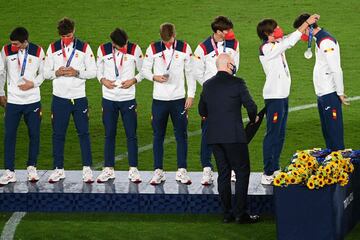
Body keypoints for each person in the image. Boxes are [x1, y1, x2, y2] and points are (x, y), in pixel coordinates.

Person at [257, 14, 320, 185]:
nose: (279, 29)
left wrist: (306, 30)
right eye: (275, 28)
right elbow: (289, 41)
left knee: (280, 134)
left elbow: (290, 38)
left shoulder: (276, 44)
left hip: (283, 96)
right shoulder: (267, 49)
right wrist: (306, 23)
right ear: (268, 34)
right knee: (272, 134)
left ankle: (275, 166)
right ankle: (267, 172)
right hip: (274, 97)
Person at [198, 53, 259, 224]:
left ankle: (227, 213)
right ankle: (241, 214)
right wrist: (253, 117)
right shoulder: (237, 83)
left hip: (215, 137)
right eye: (232, 63)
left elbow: (202, 111)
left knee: (223, 174)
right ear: (228, 65)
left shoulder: (208, 85)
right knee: (241, 172)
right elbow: (251, 106)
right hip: (234, 136)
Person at [44, 17, 97, 183]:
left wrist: (77, 72)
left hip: (79, 98)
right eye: (63, 37)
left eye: (68, 36)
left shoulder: (84, 48)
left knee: (84, 133)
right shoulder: (52, 48)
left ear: (73, 32)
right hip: (59, 99)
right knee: (58, 134)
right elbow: (46, 73)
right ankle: (58, 169)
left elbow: (93, 72)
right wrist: (56, 73)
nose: (65, 39)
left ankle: (87, 169)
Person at [141, 23, 195, 185]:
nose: (168, 44)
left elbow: (190, 73)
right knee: (158, 136)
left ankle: (182, 171)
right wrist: (154, 77)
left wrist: (190, 95)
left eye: (169, 41)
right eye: (164, 41)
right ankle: (158, 171)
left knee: (181, 135)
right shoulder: (152, 49)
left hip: (179, 99)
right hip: (159, 100)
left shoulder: (185, 48)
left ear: (174, 35)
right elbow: (144, 70)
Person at [193, 16, 239, 185]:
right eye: (226, 30)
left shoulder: (234, 44)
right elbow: (197, 72)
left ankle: (232, 168)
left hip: (228, 95)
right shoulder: (203, 47)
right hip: (210, 96)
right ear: (218, 31)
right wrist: (210, 86)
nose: (229, 33)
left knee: (230, 132)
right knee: (208, 133)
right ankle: (207, 169)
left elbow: (236, 67)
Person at [293, 13, 348, 151]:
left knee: (334, 134)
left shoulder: (326, 42)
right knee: (328, 133)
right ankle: (332, 164)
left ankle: (339, 166)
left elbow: (336, 69)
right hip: (323, 94)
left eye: (302, 30)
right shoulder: (319, 40)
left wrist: (340, 93)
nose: (301, 35)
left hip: (330, 93)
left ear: (309, 28)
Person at [96, 28, 143, 183]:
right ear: (113, 44)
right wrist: (102, 79)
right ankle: (108, 169)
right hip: (109, 98)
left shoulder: (135, 49)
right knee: (109, 134)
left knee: (131, 134)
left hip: (128, 99)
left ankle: (133, 169)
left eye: (125, 45)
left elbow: (143, 71)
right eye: (121, 46)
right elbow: (98, 71)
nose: (124, 48)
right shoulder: (103, 50)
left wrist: (134, 80)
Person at [0, 27, 45, 185]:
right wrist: (0, 93)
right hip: (13, 102)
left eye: (16, 44)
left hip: (32, 100)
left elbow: (43, 73)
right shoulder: (6, 50)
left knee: (34, 134)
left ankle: (32, 167)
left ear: (25, 42)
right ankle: (9, 171)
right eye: (12, 43)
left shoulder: (38, 51)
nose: (13, 46)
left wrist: (33, 84)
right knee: (9, 135)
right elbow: (1, 72)